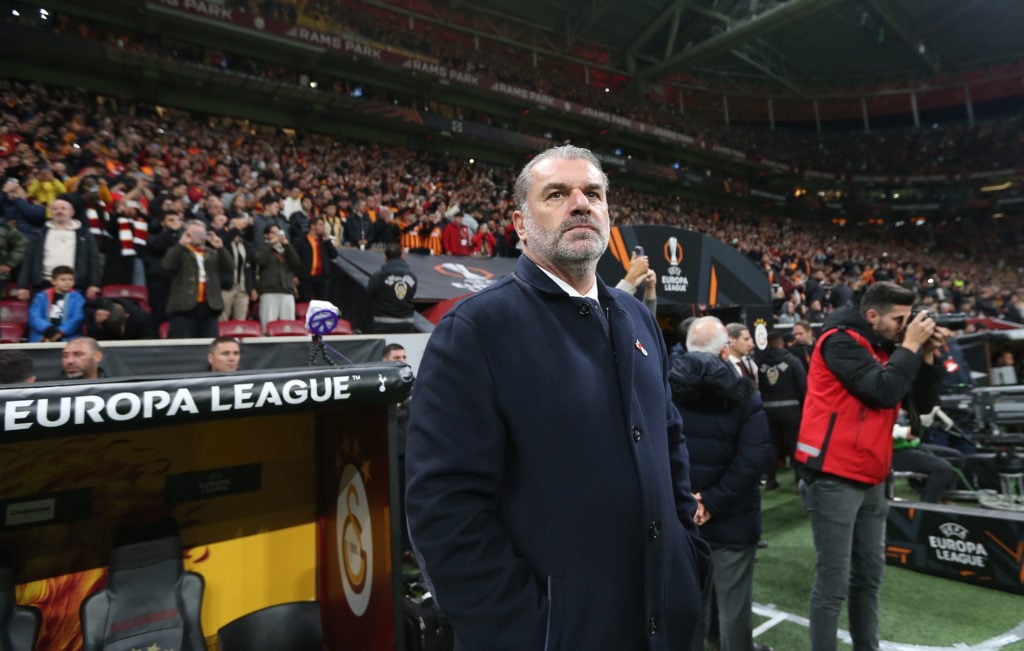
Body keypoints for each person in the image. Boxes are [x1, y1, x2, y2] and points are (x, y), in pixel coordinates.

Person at [405, 145, 707, 650]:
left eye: (593, 193)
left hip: (664, 620)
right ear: (521, 225)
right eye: (557, 194)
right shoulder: (476, 329)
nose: (581, 203)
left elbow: (669, 442)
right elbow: (444, 508)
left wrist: (688, 556)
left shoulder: (637, 320)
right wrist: (525, 633)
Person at [795, 281, 947, 651]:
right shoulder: (838, 340)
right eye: (899, 319)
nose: (903, 326)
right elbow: (882, 390)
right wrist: (909, 345)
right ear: (872, 315)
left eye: (907, 319)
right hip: (834, 477)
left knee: (869, 578)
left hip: (872, 475)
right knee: (833, 584)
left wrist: (924, 355)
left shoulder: (883, 346)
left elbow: (923, 405)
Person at [669, 316, 773, 651]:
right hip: (732, 516)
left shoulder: (660, 386)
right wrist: (711, 502)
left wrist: (691, 501)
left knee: (688, 607)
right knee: (734, 611)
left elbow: (654, 450)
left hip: (681, 516)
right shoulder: (745, 394)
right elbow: (752, 459)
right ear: (725, 351)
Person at [15, 196, 101, 301]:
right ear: (50, 212)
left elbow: (94, 260)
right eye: (55, 209)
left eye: (63, 208)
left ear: (72, 212)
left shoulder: (85, 235)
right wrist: (22, 286)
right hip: (44, 285)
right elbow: (28, 261)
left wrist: (94, 284)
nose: (59, 211)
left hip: (76, 286)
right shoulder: (38, 234)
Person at [163, 219, 234, 338]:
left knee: (209, 345)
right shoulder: (179, 251)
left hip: (209, 306)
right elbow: (167, 265)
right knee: (183, 346)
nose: (198, 237)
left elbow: (229, 267)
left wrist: (221, 248)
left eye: (201, 233)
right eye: (193, 233)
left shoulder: (212, 253)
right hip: (184, 308)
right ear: (186, 233)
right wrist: (181, 244)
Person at [758, 331, 807, 489]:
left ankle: (770, 480)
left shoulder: (761, 363)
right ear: (781, 342)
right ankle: (800, 478)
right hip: (790, 408)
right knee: (795, 444)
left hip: (768, 409)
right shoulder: (792, 361)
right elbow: (804, 386)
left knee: (772, 444)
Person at [254, 224, 301, 332]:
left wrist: (287, 245)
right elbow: (260, 260)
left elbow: (296, 263)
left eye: (278, 232)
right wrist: (271, 244)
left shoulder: (285, 249)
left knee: (289, 324)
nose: (277, 235)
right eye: (273, 232)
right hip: (269, 291)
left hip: (287, 290)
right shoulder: (262, 248)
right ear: (266, 235)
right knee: (268, 323)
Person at [367, 243, 418, 333]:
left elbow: (370, 295)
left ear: (385, 258)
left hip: (382, 323)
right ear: (402, 256)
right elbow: (412, 295)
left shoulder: (378, 276)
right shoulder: (412, 277)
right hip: (407, 323)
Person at [27, 265, 85, 342]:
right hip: (42, 335)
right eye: (63, 280)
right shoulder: (42, 296)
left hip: (68, 337)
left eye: (71, 280)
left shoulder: (78, 298)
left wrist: (60, 332)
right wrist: (47, 329)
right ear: (53, 281)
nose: (67, 282)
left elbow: (78, 318)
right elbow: (34, 316)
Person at [294, 216, 339, 302]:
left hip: (322, 277)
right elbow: (295, 259)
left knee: (322, 303)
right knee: (306, 302)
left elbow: (334, 255)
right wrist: (295, 275)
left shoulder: (323, 241)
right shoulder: (301, 241)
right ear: (312, 226)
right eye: (321, 225)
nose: (323, 228)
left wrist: (327, 240)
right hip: (305, 277)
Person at [726, 322, 758, 389]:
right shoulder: (723, 366)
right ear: (731, 340)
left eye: (750, 339)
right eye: (746, 339)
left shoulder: (748, 363)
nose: (751, 344)